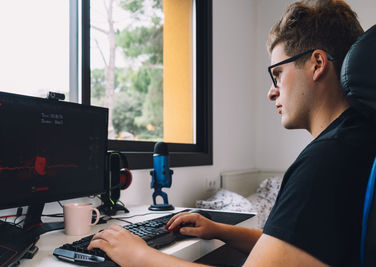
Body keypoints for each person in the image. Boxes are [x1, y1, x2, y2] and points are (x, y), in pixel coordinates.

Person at [87, 0, 376, 266]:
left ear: (317, 64)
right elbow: (294, 246)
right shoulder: (358, 139)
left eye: (278, 74)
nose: (271, 92)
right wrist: (218, 230)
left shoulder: (325, 159)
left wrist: (137, 254)